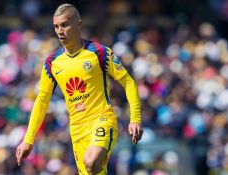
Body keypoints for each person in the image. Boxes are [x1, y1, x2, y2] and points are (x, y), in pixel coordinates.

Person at [16, 3, 143, 175]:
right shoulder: (52, 63)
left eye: (65, 24)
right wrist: (28, 140)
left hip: (102, 120)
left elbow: (128, 81)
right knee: (93, 171)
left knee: (91, 161)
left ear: (79, 25)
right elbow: (42, 100)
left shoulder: (99, 52)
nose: (60, 31)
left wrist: (135, 118)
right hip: (77, 131)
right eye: (56, 26)